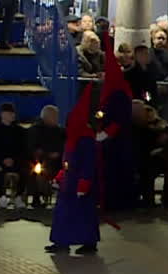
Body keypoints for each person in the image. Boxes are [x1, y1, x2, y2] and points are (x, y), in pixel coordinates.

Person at [46, 85, 99, 254]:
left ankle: (89, 242)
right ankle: (61, 241)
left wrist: (84, 183)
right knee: (63, 212)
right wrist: (60, 176)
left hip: (79, 183)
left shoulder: (85, 139)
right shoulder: (72, 137)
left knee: (84, 213)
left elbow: (88, 163)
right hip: (69, 181)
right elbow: (67, 161)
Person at [98, 45, 136, 213]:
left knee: (116, 170)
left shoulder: (119, 93)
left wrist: (106, 133)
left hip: (118, 139)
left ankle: (117, 202)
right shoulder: (114, 91)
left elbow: (119, 118)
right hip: (114, 137)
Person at [0, 102, 27, 209]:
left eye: (13, 113)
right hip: (0, 161)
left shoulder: (20, 131)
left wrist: (13, 159)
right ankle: (2, 197)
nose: (12, 115)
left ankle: (18, 196)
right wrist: (2, 160)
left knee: (26, 169)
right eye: (9, 113)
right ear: (3, 114)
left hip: (16, 161)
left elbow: (22, 149)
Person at [27, 105, 65, 208]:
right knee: (35, 170)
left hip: (57, 161)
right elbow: (33, 148)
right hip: (40, 161)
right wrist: (48, 154)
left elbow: (63, 146)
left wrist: (58, 153)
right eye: (54, 116)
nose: (56, 119)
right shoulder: (35, 130)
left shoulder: (60, 131)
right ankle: (36, 198)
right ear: (46, 117)